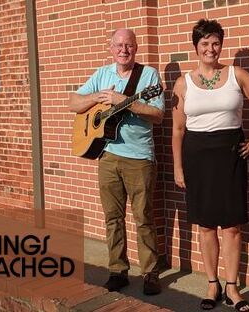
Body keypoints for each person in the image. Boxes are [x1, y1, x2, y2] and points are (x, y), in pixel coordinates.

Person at [171, 19, 249, 312]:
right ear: (195, 47)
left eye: (215, 43)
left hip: (230, 155)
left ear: (221, 45)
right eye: (204, 44)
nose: (210, 49)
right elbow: (178, 130)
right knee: (205, 226)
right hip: (196, 157)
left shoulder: (236, 75)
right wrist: (178, 168)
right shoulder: (183, 82)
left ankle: (232, 287)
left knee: (231, 227)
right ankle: (212, 283)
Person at [67, 28, 164, 296]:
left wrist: (126, 102)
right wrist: (95, 98)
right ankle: (117, 270)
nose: (124, 50)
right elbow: (73, 103)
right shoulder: (102, 74)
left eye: (129, 45)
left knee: (143, 217)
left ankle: (150, 273)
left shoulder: (149, 76)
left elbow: (158, 114)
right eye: (119, 45)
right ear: (111, 48)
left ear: (136, 47)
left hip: (139, 158)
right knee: (113, 217)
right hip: (108, 156)